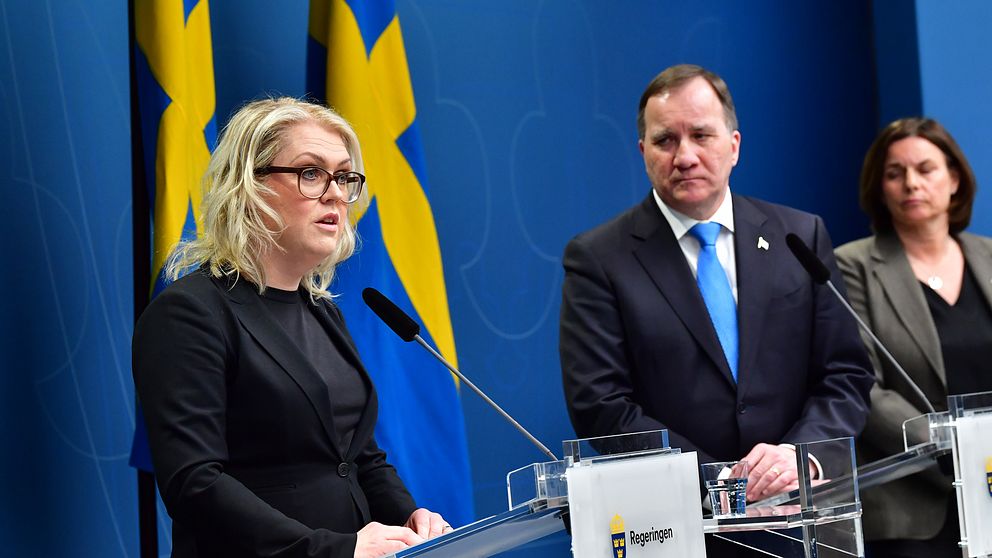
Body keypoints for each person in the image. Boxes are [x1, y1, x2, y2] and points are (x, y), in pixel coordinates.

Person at [132, 98, 449, 558]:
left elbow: (359, 456)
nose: (337, 194)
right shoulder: (189, 313)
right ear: (249, 185)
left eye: (344, 176)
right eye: (312, 173)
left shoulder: (323, 312)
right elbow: (195, 483)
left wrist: (408, 519)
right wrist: (334, 551)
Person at [559, 64, 873, 511]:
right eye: (666, 140)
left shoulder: (799, 236)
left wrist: (800, 456)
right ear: (643, 151)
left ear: (734, 146)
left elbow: (846, 373)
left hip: (797, 512)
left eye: (701, 136)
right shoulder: (599, 258)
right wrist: (719, 482)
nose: (684, 156)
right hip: (677, 518)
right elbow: (600, 403)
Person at [836, 117, 992, 558]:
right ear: (879, 188)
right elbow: (861, 385)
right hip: (914, 506)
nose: (911, 184)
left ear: (955, 179)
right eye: (894, 173)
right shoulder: (853, 266)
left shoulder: (989, 256)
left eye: (926, 169)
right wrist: (956, 451)